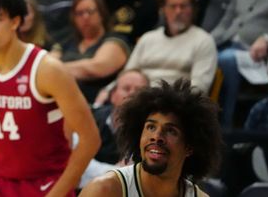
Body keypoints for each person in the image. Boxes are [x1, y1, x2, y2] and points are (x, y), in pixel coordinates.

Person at [0, 0, 100, 197]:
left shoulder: (48, 70)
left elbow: (90, 139)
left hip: (44, 183)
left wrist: (58, 193)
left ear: (15, 22)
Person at [80, 79, 222, 197]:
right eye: (151, 127)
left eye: (171, 131)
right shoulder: (104, 190)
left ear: (190, 146)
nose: (156, 137)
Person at [123, 0, 217, 94]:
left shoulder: (204, 40)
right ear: (163, 10)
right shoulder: (147, 39)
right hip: (139, 98)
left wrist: (163, 98)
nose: (178, 11)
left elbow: (200, 87)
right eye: (173, 6)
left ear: (193, 10)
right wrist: (109, 90)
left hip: (176, 104)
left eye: (183, 6)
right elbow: (127, 74)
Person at [62, 0, 130, 103]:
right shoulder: (67, 43)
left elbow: (97, 68)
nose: (85, 17)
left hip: (98, 106)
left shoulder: (116, 40)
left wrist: (57, 69)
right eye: (79, 13)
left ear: (101, 14)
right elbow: (47, 62)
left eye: (90, 11)